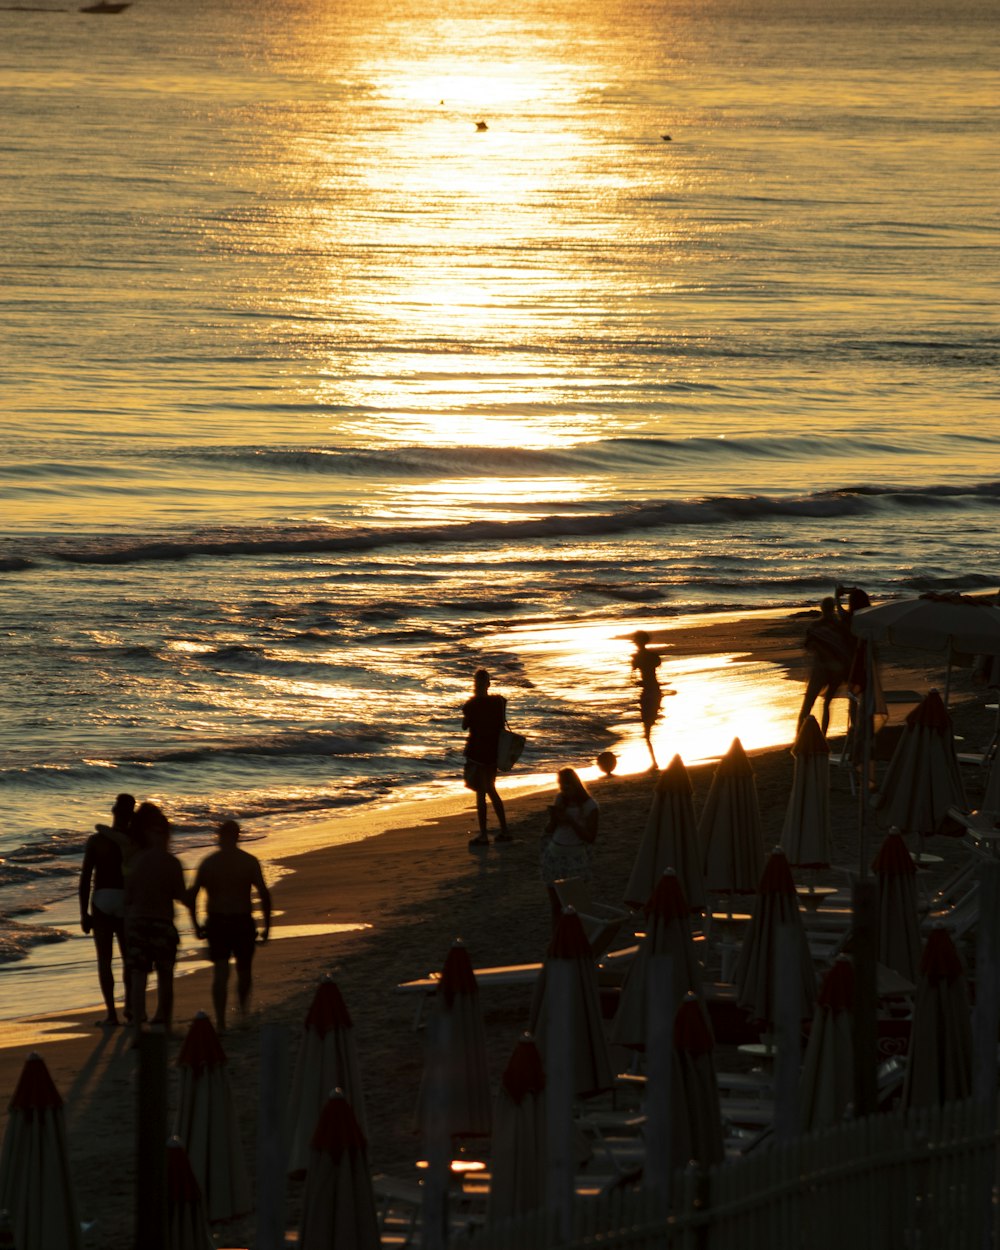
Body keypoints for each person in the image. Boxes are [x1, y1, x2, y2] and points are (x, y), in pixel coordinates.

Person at [188, 819, 271, 1033]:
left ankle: (222, 1022)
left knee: (222, 973)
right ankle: (242, 1014)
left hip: (218, 922)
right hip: (241, 921)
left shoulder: (208, 863)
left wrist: (195, 924)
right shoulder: (249, 861)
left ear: (219, 837)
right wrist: (267, 926)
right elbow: (263, 894)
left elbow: (193, 895)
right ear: (238, 836)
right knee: (244, 971)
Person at [123, 802, 187, 1044]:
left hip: (138, 922)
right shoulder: (171, 863)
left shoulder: (136, 861)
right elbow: (180, 895)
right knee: (164, 975)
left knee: (139, 976)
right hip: (161, 922)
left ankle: (139, 1031)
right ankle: (166, 1027)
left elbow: (128, 897)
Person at [78, 793, 134, 1025]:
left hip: (101, 898)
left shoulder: (96, 840)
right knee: (129, 958)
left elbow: (85, 878)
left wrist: (83, 913)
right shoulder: (133, 841)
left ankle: (111, 1014)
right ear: (131, 814)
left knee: (105, 960)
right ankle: (130, 1008)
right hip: (125, 900)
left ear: (113, 811)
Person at [541, 768, 599, 930]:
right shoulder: (561, 799)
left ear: (575, 785)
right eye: (561, 786)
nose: (563, 790)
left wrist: (571, 822)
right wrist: (554, 818)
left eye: (566, 787)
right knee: (555, 905)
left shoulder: (590, 806)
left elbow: (590, 837)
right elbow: (550, 829)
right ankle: (557, 939)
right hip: (554, 856)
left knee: (574, 906)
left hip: (575, 858)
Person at [462, 668, 511, 849]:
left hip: (477, 752)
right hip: (493, 752)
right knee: (491, 789)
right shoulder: (498, 702)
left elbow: (464, 726)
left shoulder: (472, 704)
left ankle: (483, 834)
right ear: (488, 684)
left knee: (482, 793)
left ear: (475, 684)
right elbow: (501, 724)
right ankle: (504, 829)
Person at [797, 596, 854, 736]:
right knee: (827, 704)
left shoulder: (816, 626)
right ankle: (823, 736)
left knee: (808, 704)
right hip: (837, 670)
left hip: (821, 669)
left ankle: (799, 737)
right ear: (832, 608)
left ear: (822, 608)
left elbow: (808, 645)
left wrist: (821, 650)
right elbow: (846, 645)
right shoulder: (839, 626)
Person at [631, 631, 673, 768]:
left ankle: (654, 761)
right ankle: (654, 760)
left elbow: (633, 679)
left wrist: (640, 683)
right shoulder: (653, 656)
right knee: (649, 728)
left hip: (648, 692)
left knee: (647, 730)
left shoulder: (637, 658)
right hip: (655, 691)